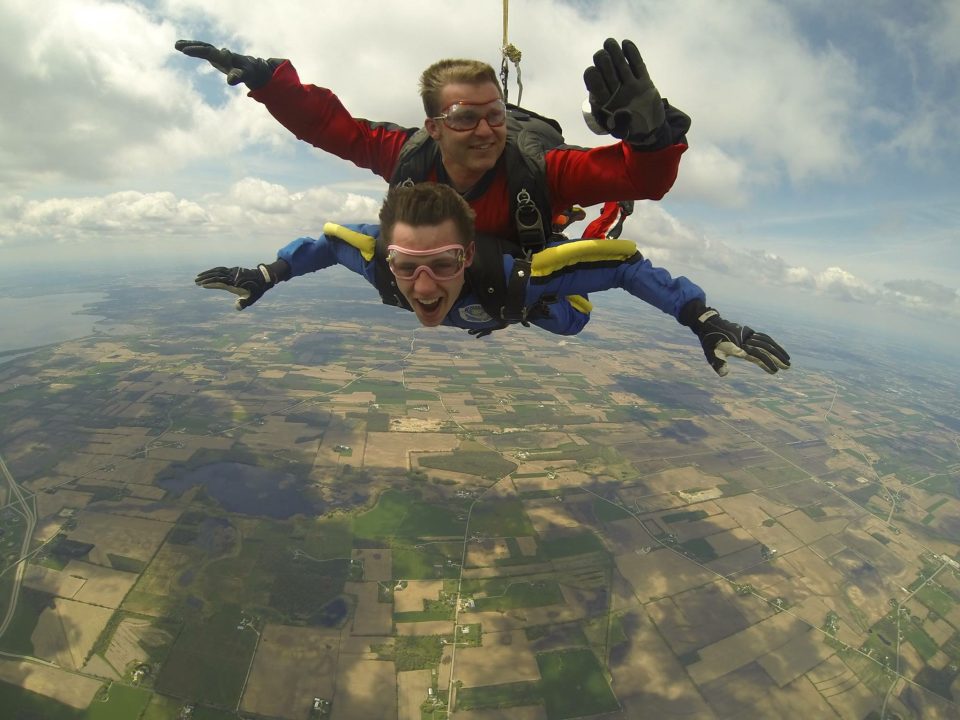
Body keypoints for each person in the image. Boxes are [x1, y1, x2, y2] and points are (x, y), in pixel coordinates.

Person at [196, 184, 790, 377]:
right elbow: (329, 241)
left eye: (444, 265)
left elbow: (625, 264)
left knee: (573, 314)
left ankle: (605, 208)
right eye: (408, 268)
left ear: (469, 255)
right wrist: (267, 273)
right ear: (390, 258)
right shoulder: (380, 259)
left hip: (537, 296)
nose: (423, 288)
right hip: (501, 291)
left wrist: (703, 319)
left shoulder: (519, 279)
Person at [175, 38, 691, 250]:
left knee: (567, 281)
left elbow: (644, 179)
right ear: (435, 126)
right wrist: (271, 83)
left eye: (494, 115)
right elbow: (331, 129)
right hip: (472, 249)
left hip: (526, 236)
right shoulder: (407, 155)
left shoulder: (542, 170)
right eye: (466, 118)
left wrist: (650, 137)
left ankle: (604, 213)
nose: (487, 130)